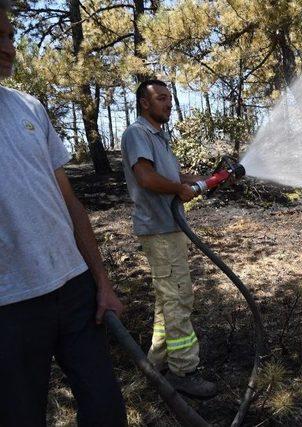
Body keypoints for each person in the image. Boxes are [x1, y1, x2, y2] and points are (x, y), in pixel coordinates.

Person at [0, 2, 127, 426]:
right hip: (10, 305)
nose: (9, 48)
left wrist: (102, 280)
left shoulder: (29, 107)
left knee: (106, 409)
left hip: (74, 289)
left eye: (10, 37)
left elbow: (70, 203)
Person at [121, 79, 216, 398]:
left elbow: (175, 177)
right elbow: (146, 178)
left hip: (168, 228)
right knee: (178, 299)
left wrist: (204, 180)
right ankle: (184, 371)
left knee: (168, 298)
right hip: (159, 230)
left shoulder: (159, 138)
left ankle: (156, 362)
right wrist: (179, 189)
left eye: (169, 98)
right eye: (161, 98)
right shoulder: (138, 133)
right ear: (144, 103)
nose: (168, 103)